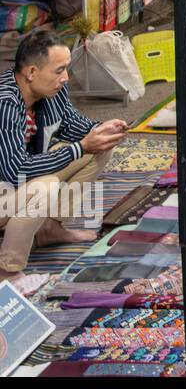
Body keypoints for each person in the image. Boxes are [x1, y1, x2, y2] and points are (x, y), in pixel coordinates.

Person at [0, 31, 127, 289]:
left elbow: (72, 125)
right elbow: (15, 171)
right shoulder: (5, 103)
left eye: (66, 68)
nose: (65, 77)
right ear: (32, 72)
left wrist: (102, 130)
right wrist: (79, 148)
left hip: (19, 183)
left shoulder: (51, 91)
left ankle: (50, 227)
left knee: (99, 149)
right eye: (59, 70)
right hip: (7, 185)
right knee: (44, 186)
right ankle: (8, 272)